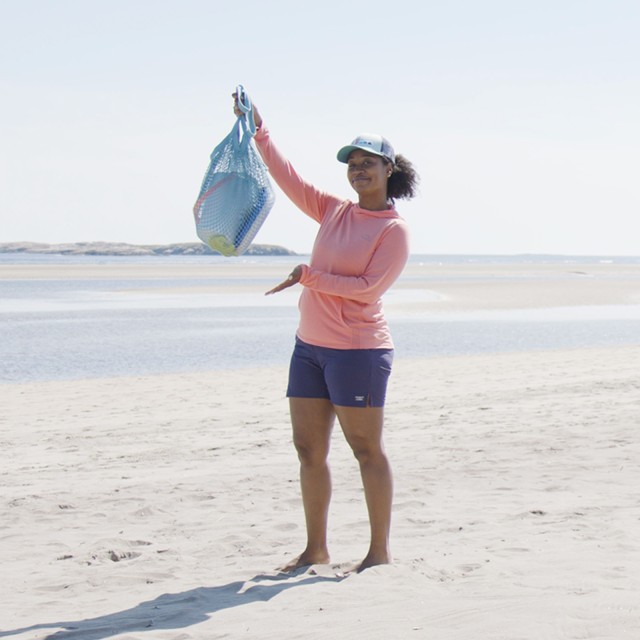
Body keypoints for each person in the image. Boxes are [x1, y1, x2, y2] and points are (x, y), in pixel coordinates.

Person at [234, 95, 419, 572]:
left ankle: (378, 552)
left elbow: (367, 289)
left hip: (357, 352)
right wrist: (260, 131)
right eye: (352, 164)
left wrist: (307, 276)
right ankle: (316, 549)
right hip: (309, 348)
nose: (358, 171)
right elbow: (289, 178)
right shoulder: (334, 211)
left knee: (365, 449)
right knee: (308, 450)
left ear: (388, 169)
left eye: (367, 163)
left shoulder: (393, 230)